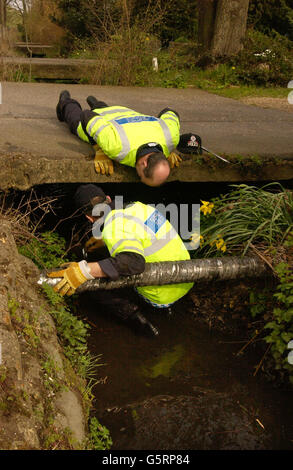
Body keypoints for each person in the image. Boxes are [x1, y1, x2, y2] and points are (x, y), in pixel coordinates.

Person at [48, 184, 194, 336]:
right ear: (109, 199)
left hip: (161, 294)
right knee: (111, 261)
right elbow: (144, 235)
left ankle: (138, 320)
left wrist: (84, 270)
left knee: (92, 283)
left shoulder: (113, 227)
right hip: (186, 279)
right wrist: (105, 242)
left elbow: (134, 263)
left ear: (89, 217)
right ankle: (167, 311)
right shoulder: (140, 207)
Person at [56, 90, 186, 187]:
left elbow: (169, 112)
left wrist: (168, 150)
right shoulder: (117, 146)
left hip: (120, 112)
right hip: (97, 118)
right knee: (74, 118)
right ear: (144, 163)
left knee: (106, 111)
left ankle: (96, 103)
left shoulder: (170, 136)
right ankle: (66, 101)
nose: (138, 176)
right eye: (140, 176)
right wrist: (99, 149)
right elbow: (87, 116)